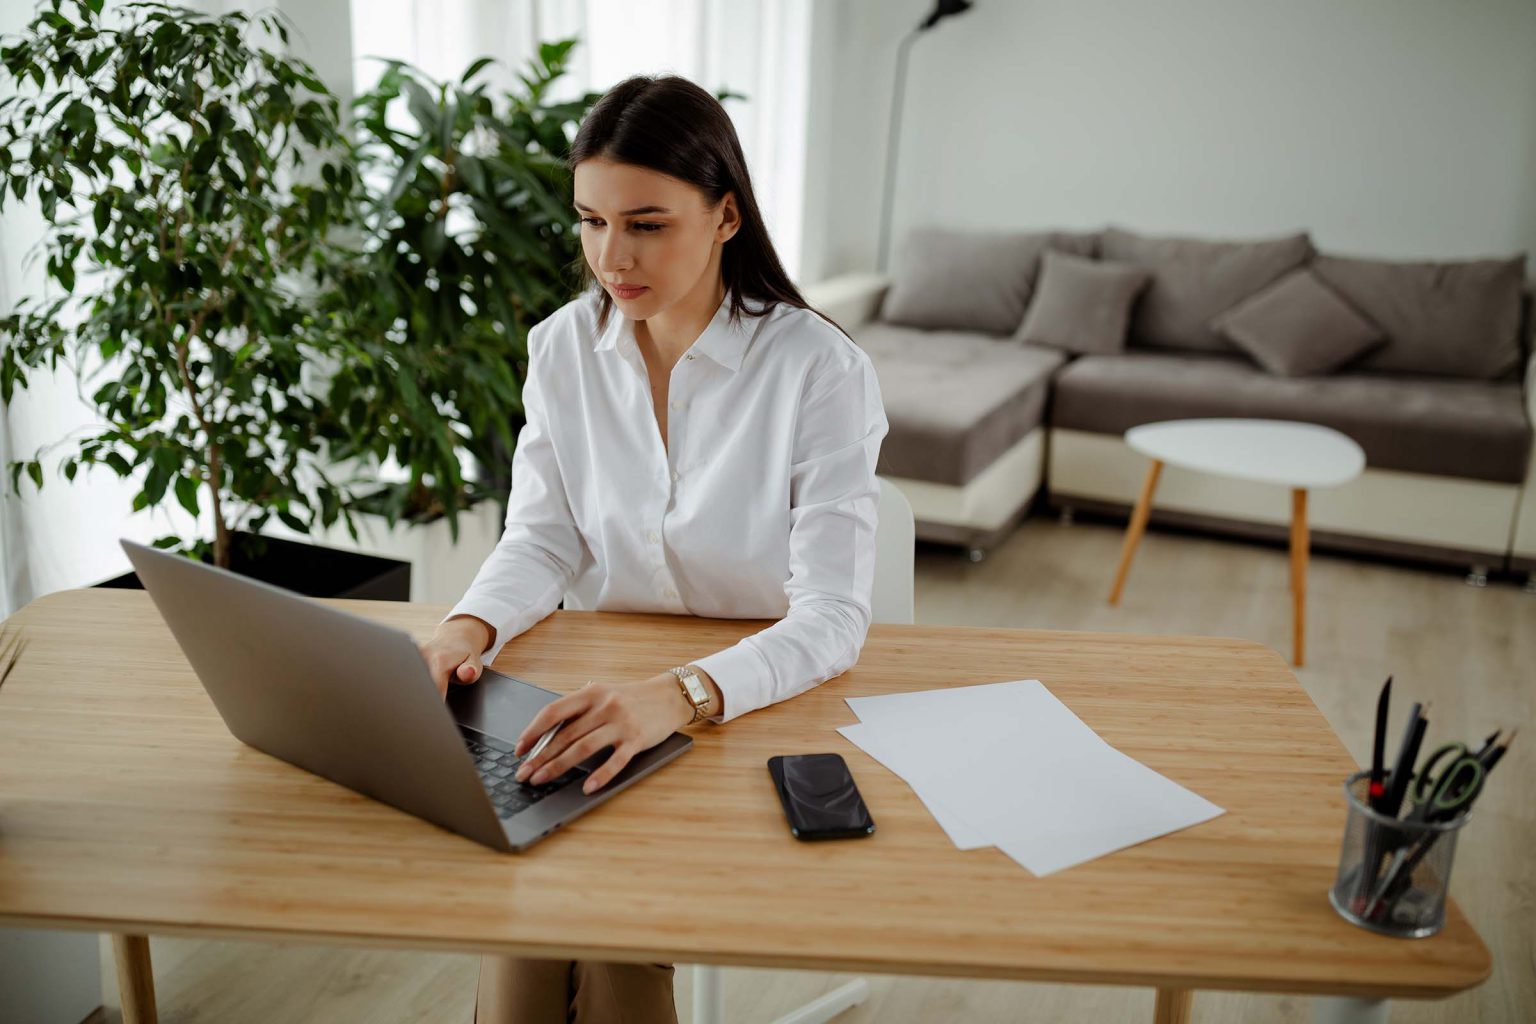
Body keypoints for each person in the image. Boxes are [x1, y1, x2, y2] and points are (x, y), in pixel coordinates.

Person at [416, 73, 888, 1024]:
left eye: (646, 223)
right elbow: (543, 537)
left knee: (614, 951)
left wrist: (679, 696)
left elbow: (834, 617)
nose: (610, 257)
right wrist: (464, 629)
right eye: (590, 221)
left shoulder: (819, 371)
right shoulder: (561, 350)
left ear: (725, 216)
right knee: (522, 940)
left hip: (756, 702)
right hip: (596, 697)